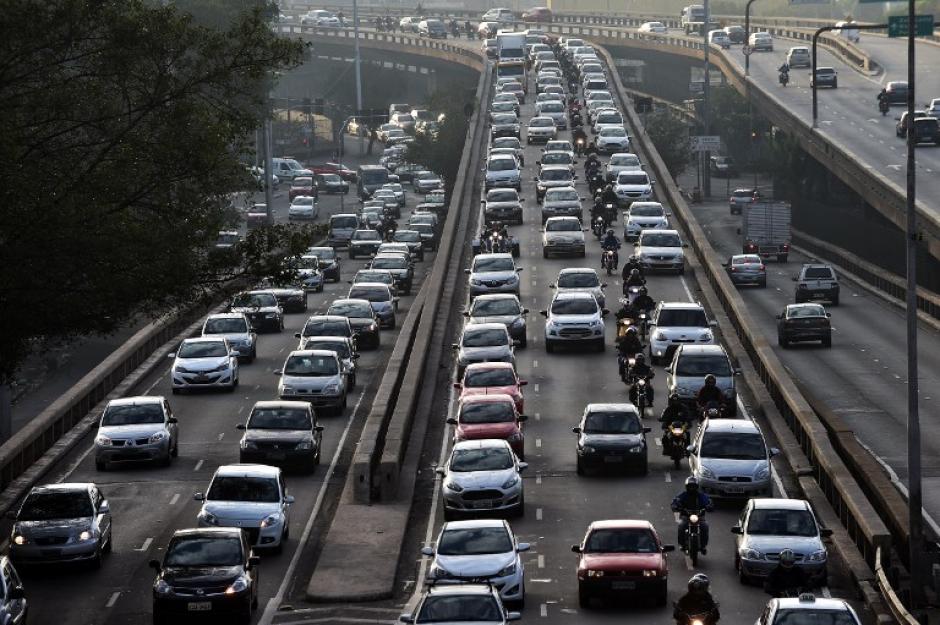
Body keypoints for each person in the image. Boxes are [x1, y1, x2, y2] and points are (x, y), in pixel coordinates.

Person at [671, 477, 714, 553]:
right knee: (681, 526)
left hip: (699, 517)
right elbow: (675, 501)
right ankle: (682, 544)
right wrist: (675, 506)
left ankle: (703, 546)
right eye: (690, 486)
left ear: (697, 487)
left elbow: (708, 501)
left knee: (705, 526)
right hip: (686, 517)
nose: (692, 488)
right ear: (687, 487)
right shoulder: (683, 495)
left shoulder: (701, 496)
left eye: (693, 486)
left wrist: (709, 505)